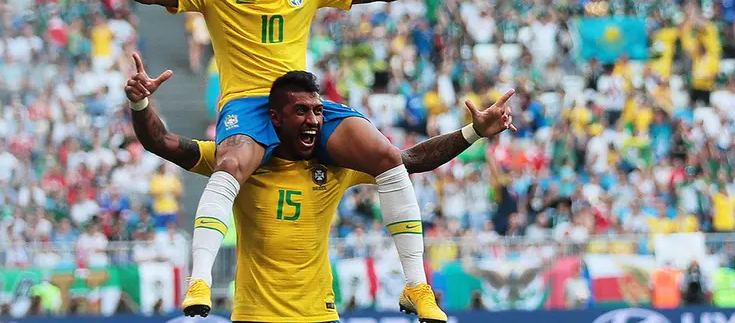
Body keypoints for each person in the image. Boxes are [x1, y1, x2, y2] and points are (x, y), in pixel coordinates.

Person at [66, 0, 509, 319]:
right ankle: (200, 279)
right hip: (249, 105)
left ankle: (416, 286)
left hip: (301, 101)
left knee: (389, 158)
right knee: (230, 165)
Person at [124, 52, 516, 322]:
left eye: (317, 111)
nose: (313, 119)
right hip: (255, 315)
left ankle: (418, 285)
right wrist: (141, 106)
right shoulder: (239, 160)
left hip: (321, 314)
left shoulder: (336, 165)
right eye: (301, 111)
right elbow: (162, 142)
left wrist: (473, 132)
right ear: (274, 118)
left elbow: (409, 160)